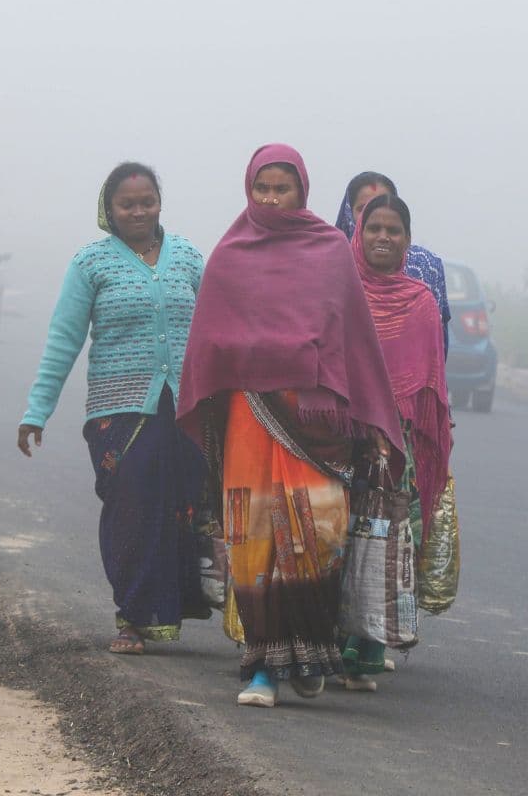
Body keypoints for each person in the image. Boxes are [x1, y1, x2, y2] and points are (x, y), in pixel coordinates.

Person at [177, 143, 404, 708]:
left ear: (303, 191)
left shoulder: (329, 250)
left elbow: (353, 340)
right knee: (253, 539)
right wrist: (258, 352)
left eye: (284, 189)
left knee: (317, 533)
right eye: (263, 188)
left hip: (316, 424)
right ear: (249, 190)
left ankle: (309, 652)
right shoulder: (230, 255)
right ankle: (261, 668)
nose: (272, 199)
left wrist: (373, 417)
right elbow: (209, 341)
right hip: (250, 417)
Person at [18, 162, 209, 655]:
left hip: (185, 409)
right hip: (118, 412)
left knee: (183, 508)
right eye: (127, 203)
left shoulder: (188, 256)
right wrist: (37, 411)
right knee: (132, 510)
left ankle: (167, 613)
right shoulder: (91, 264)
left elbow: (215, 333)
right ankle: (131, 614)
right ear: (109, 209)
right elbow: (64, 340)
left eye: (147, 201)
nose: (139, 211)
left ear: (159, 202)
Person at [341, 193, 453, 692]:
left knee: (386, 542)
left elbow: (431, 384)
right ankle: (333, 639)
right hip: (343, 435)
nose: (383, 237)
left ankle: (371, 648)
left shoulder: (420, 301)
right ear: (358, 234)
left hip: (397, 445)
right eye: (374, 229)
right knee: (338, 538)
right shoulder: (339, 294)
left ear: (408, 240)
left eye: (394, 230)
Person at [334, 172, 451, 355]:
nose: (376, 213)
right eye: (363, 208)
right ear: (349, 211)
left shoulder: (424, 265)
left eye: (383, 204)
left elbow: (436, 344)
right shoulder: (332, 265)